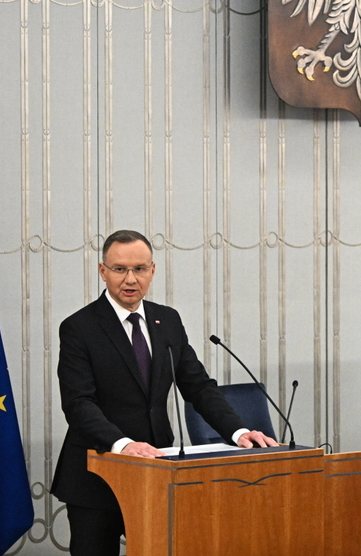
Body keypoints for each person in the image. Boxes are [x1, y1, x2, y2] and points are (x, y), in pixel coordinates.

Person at [51, 229, 277, 556]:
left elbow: (198, 387)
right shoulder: (79, 327)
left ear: (152, 270)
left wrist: (238, 431)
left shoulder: (167, 321)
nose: (130, 279)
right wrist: (124, 445)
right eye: (119, 269)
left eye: (140, 269)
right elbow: (78, 403)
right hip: (96, 476)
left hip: (158, 472)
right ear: (103, 271)